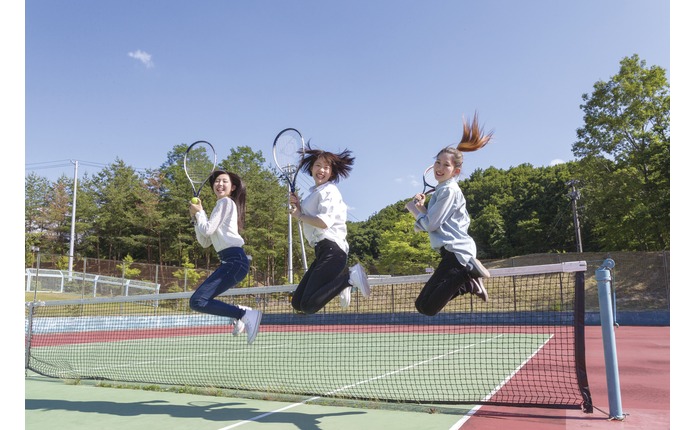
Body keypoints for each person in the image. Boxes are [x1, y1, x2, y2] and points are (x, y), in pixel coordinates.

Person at [405, 113, 492, 316]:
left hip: (457, 254)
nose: (440, 168)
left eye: (446, 165)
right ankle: (469, 284)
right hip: (451, 253)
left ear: (456, 171)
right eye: (437, 162)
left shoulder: (448, 190)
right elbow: (435, 221)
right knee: (422, 306)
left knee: (427, 307)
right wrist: (420, 207)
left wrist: (412, 209)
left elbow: (431, 225)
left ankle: (467, 277)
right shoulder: (441, 191)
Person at [288, 146, 370, 314]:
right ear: (311, 168)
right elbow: (307, 215)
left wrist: (299, 215)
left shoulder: (330, 190)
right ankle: (341, 283)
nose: (321, 170)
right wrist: (298, 206)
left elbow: (324, 222)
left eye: (326, 167)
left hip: (333, 250)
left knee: (309, 306)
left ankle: (348, 278)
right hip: (321, 251)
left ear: (331, 172)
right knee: (297, 303)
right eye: (318, 165)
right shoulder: (315, 193)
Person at [189, 170, 262, 344]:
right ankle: (240, 312)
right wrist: (195, 217)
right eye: (217, 182)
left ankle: (243, 313)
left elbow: (206, 230)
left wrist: (199, 213)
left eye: (224, 181)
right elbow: (205, 241)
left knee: (198, 301)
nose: (219, 184)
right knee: (198, 301)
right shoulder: (220, 206)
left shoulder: (225, 203)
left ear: (232, 187)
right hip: (231, 262)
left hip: (235, 261)